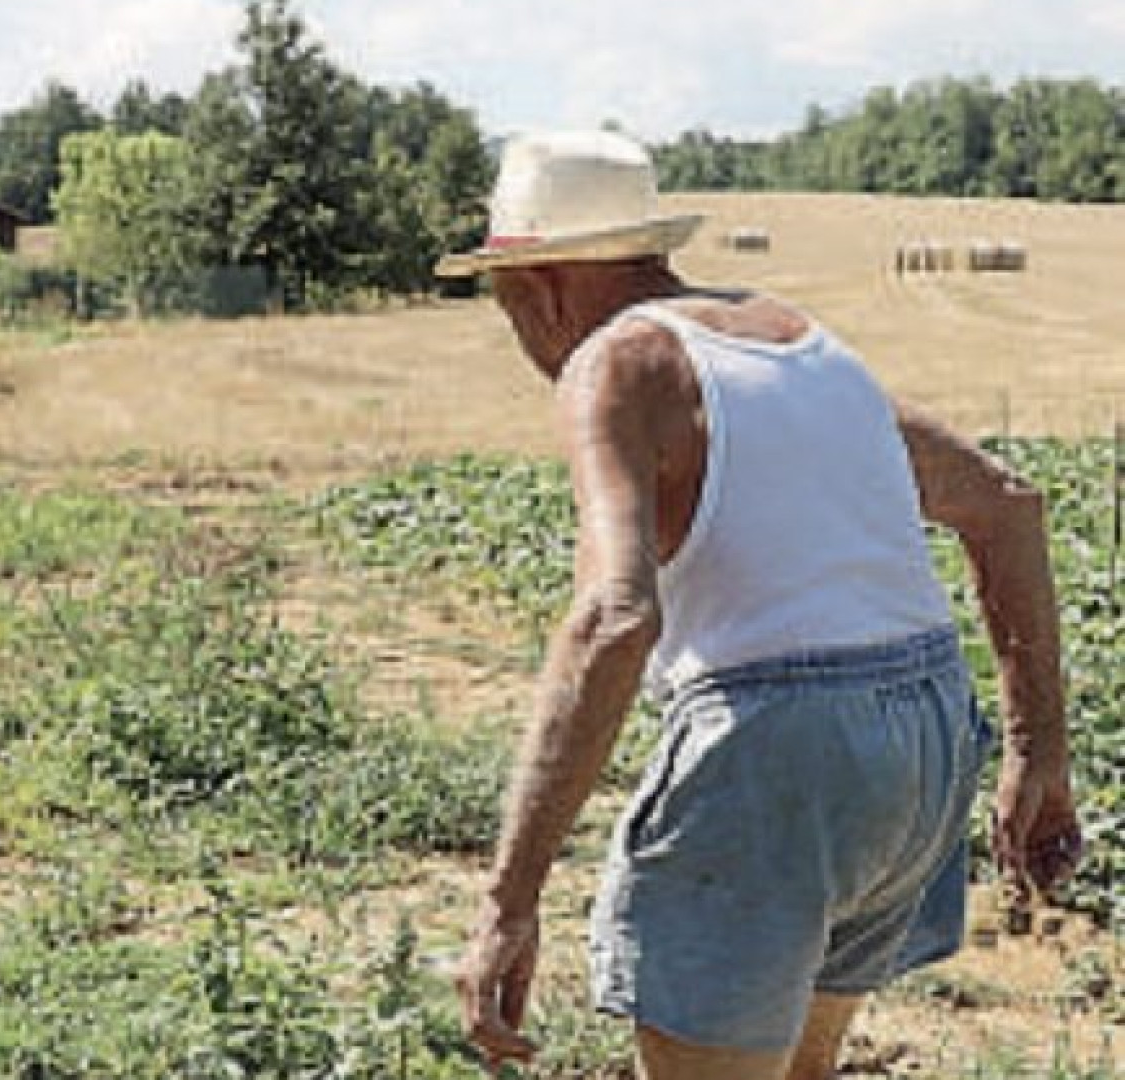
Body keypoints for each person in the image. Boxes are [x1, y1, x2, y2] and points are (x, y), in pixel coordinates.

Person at [434, 130, 1083, 1079]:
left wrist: (508, 899)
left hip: (780, 759)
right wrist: (1036, 754)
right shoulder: (801, 342)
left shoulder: (613, 362)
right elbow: (1007, 504)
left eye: (502, 301)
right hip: (922, 744)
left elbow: (613, 617)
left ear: (537, 284)